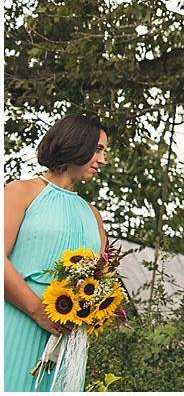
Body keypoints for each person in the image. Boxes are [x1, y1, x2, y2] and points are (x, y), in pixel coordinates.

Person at [4, 114, 109, 392]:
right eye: (97, 149)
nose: (102, 160)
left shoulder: (93, 215)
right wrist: (38, 311)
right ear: (75, 143)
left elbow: (100, 282)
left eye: (103, 152)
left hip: (66, 342)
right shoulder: (20, 192)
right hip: (15, 323)